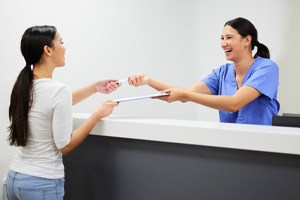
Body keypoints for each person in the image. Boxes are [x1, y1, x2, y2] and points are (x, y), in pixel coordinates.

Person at [5, 25, 119, 200]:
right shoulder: (58, 90)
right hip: (41, 184)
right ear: (48, 50)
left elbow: (53, 105)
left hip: (14, 179)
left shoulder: (23, 86)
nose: (65, 47)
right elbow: (65, 145)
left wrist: (95, 88)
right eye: (61, 42)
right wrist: (96, 115)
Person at [128, 17, 280, 125]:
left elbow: (234, 103)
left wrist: (185, 94)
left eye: (229, 37)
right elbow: (185, 95)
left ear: (247, 40)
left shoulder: (267, 68)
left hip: (261, 145)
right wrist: (148, 80)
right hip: (231, 144)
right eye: (221, 38)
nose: (223, 43)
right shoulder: (222, 72)